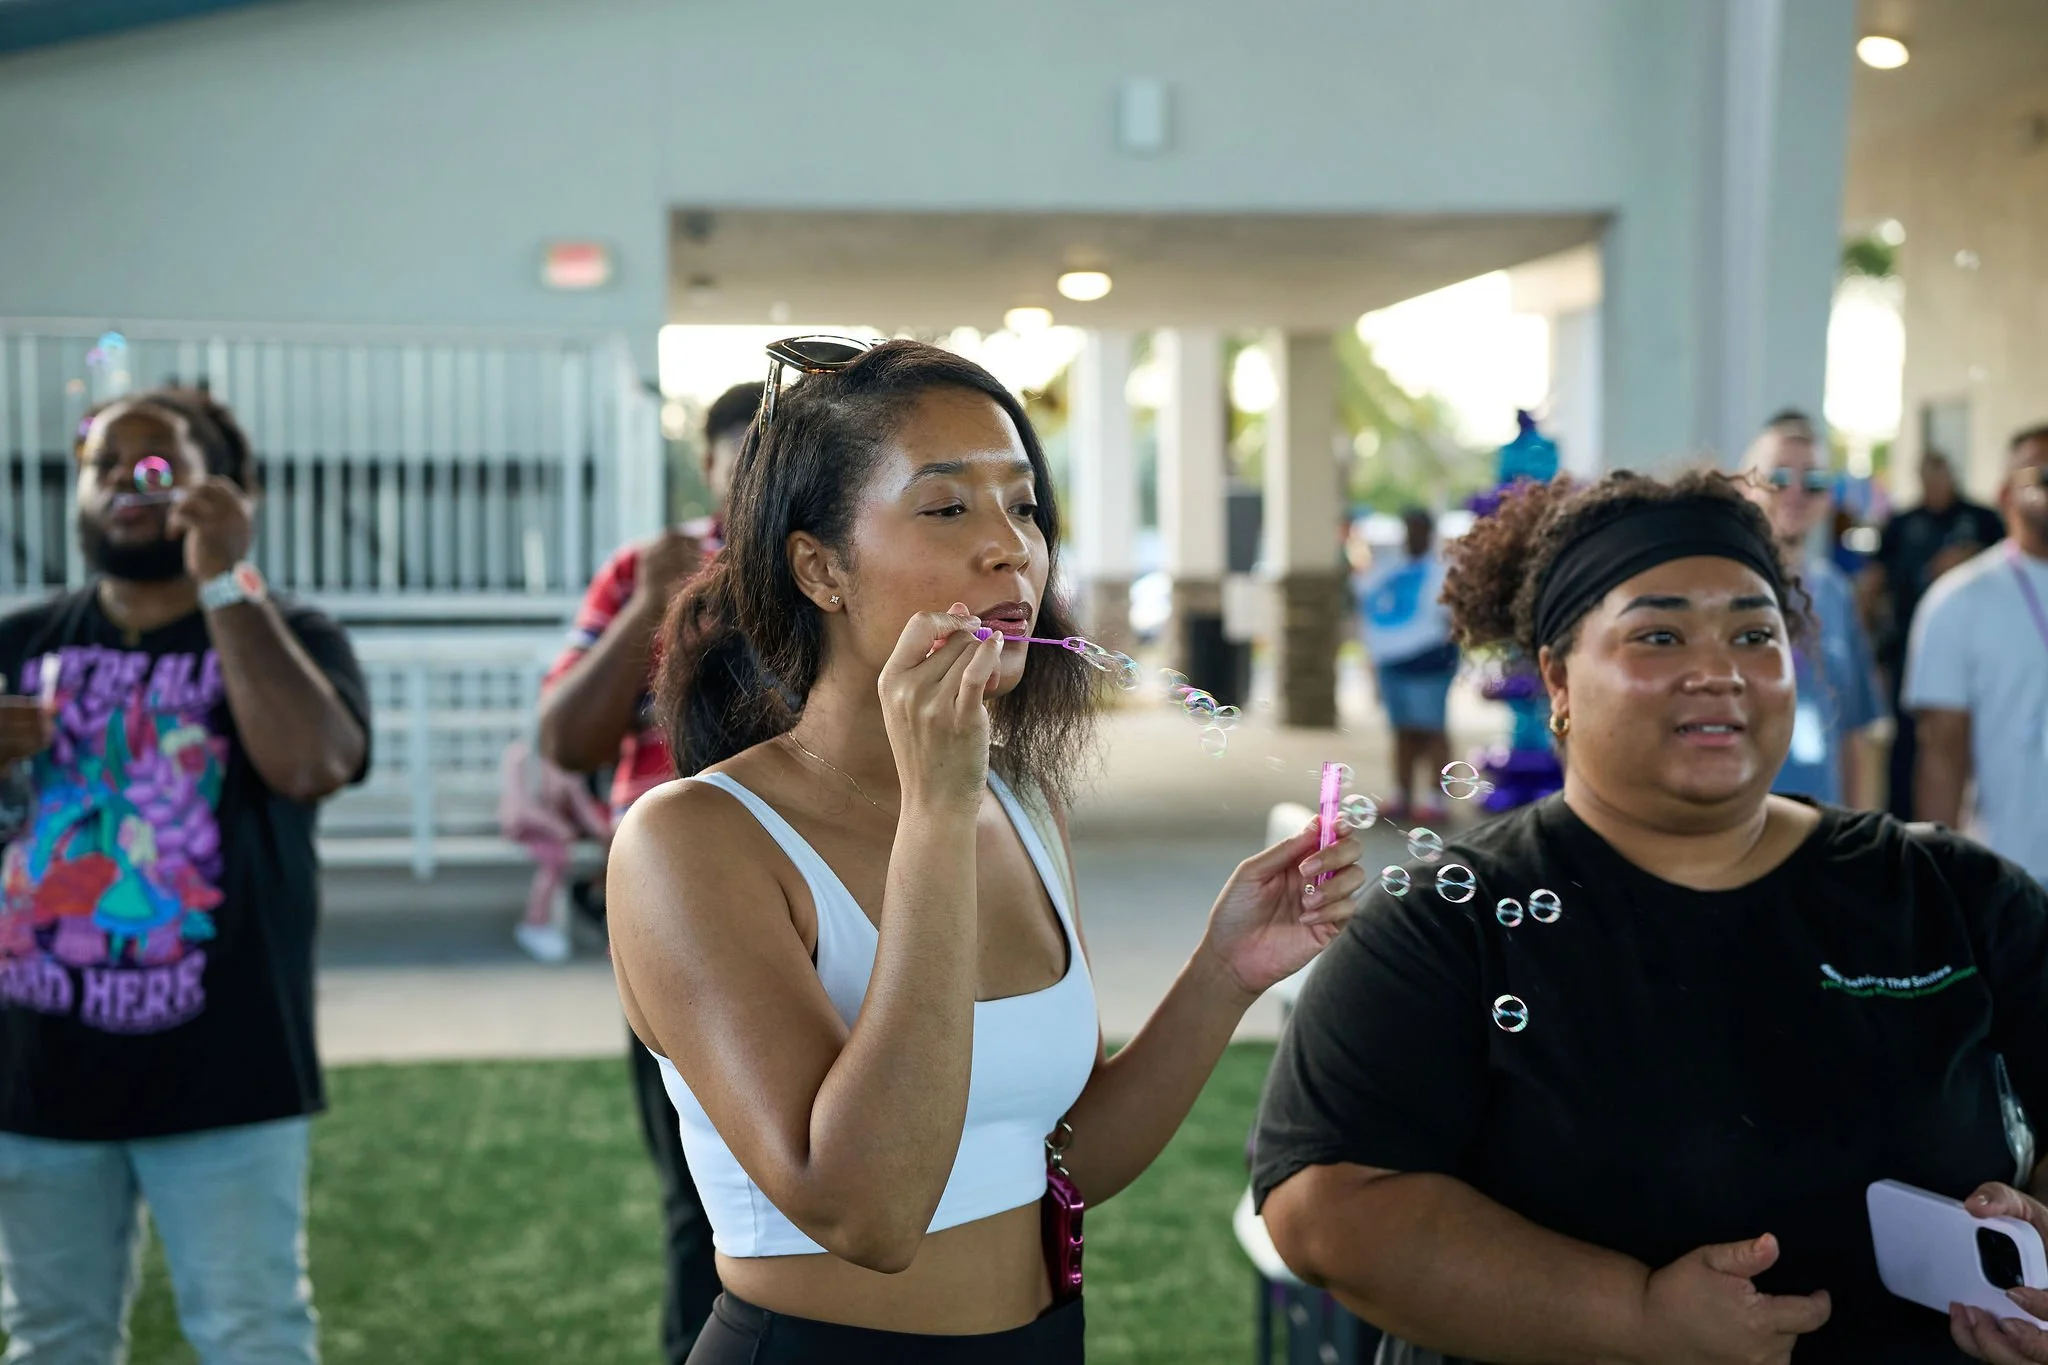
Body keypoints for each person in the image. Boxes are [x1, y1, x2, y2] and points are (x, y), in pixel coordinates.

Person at [607, 336, 1364, 1364]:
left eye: (1024, 507)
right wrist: (933, 814)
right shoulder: (691, 842)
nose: (1011, 549)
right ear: (819, 568)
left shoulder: (1020, 802)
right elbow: (867, 1213)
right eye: (947, 507)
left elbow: (1057, 1163)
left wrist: (1222, 972)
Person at [1251, 468, 2048, 1365]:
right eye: (1660, 635)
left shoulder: (1949, 891)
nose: (1718, 671)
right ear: (1557, 676)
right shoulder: (1451, 922)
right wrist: (1632, 1316)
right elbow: (1327, 1203)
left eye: (1754, 634)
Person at [0, 386, 370, 1362]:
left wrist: (227, 582)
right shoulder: (17, 644)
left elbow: (312, 764)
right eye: (103, 466)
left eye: (157, 464)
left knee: (253, 1336)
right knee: (51, 1339)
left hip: (228, 1072)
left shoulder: (290, 633)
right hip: (34, 1078)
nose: (126, 483)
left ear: (227, 491)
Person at [534, 380, 761, 1362]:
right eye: (745, 461)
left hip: (828, 904)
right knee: (698, 1195)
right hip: (675, 920)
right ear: (708, 468)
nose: (765, 483)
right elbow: (564, 739)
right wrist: (648, 609)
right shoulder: (647, 567)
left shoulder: (846, 569)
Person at [1905, 425, 2048, 889]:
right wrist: (1940, 882)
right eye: (2044, 476)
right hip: (2009, 876)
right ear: (2005, 494)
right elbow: (1942, 759)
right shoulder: (1958, 603)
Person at [1740, 411, 1885, 805]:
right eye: (1779, 478)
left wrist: (1856, 830)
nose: (1796, 493)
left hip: (1822, 824)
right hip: (1742, 823)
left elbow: (1853, 732)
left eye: (1814, 481)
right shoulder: (1720, 592)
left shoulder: (1836, 592)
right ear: (1747, 488)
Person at [1863, 451, 2004, 818]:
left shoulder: (1982, 520)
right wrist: (1871, 650)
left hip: (1974, 650)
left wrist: (1970, 562)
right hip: (1909, 648)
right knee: (1911, 740)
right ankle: (1904, 826)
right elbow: (1874, 582)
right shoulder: (1901, 523)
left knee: (1965, 738)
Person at [1355, 508, 1459, 822]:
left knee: (1431, 729)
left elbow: (1452, 616)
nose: (1412, 536)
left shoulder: (1442, 570)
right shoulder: (1390, 567)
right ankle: (1402, 795)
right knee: (1401, 731)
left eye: (1418, 529)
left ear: (1429, 533)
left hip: (1429, 660)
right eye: (1409, 529)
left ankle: (1435, 799)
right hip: (1392, 661)